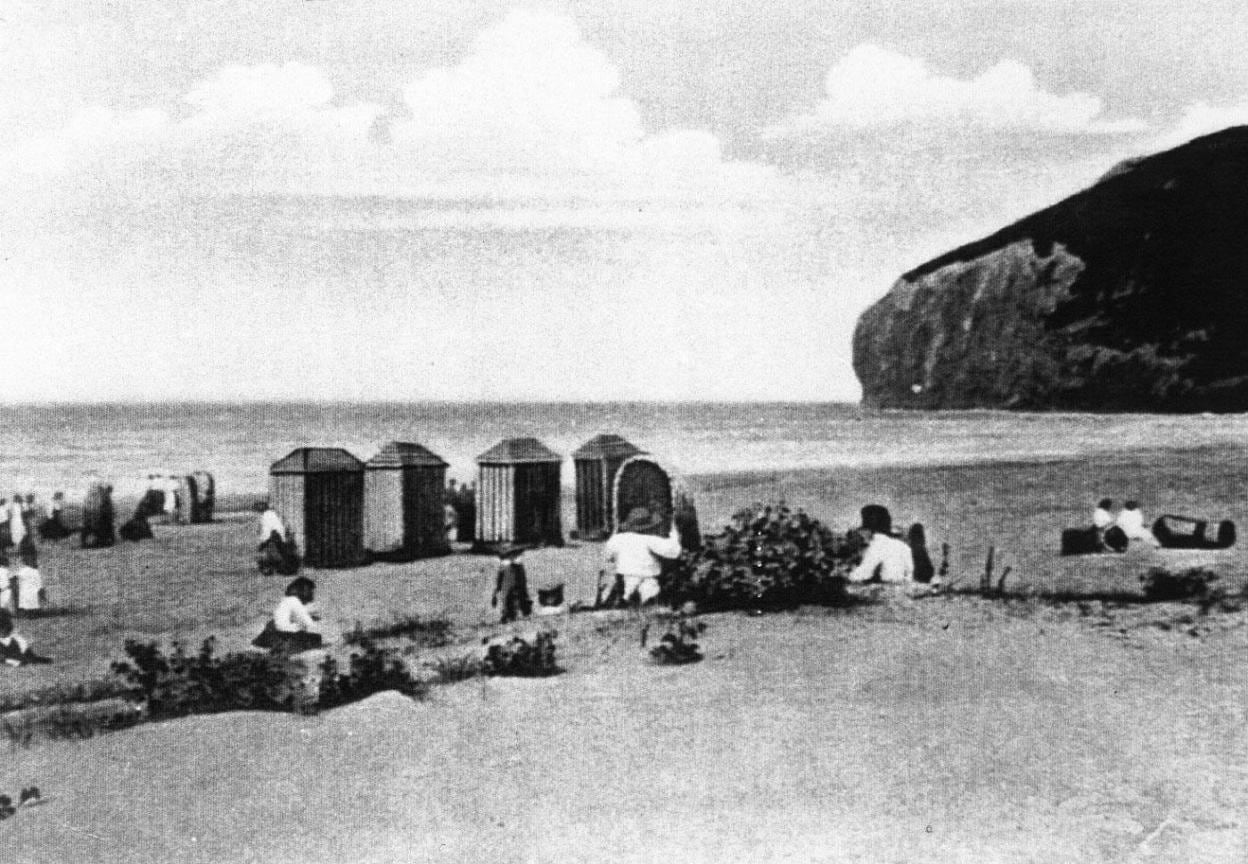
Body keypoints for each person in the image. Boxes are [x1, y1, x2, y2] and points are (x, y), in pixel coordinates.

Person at [600, 507, 682, 608]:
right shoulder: (649, 539)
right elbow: (673, 551)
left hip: (626, 574)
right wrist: (674, 534)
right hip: (648, 574)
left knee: (627, 593)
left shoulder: (617, 539)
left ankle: (624, 600)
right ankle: (646, 601)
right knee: (650, 593)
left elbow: (607, 555)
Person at [849, 505, 916, 583]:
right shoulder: (904, 546)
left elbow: (862, 574)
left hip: (883, 590)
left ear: (869, 530)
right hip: (902, 589)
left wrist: (847, 574)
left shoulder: (876, 545)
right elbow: (910, 574)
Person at [253, 577, 322, 652]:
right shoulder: (295, 601)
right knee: (316, 638)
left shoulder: (286, 600)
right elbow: (308, 623)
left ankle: (276, 644)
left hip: (272, 632)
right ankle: (283, 646)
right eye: (310, 591)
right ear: (304, 591)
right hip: (285, 634)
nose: (312, 594)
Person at [492, 545, 532, 623]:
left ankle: (512, 613)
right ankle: (514, 613)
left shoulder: (509, 565)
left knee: (513, 596)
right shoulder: (510, 565)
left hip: (511, 582)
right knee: (515, 595)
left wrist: (496, 591)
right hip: (511, 581)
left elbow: (500, 581)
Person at [257, 503, 299, 575]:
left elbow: (266, 531)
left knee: (270, 554)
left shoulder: (265, 516)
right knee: (282, 553)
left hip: (275, 537)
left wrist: (262, 543)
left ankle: (269, 569)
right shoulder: (273, 514)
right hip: (280, 536)